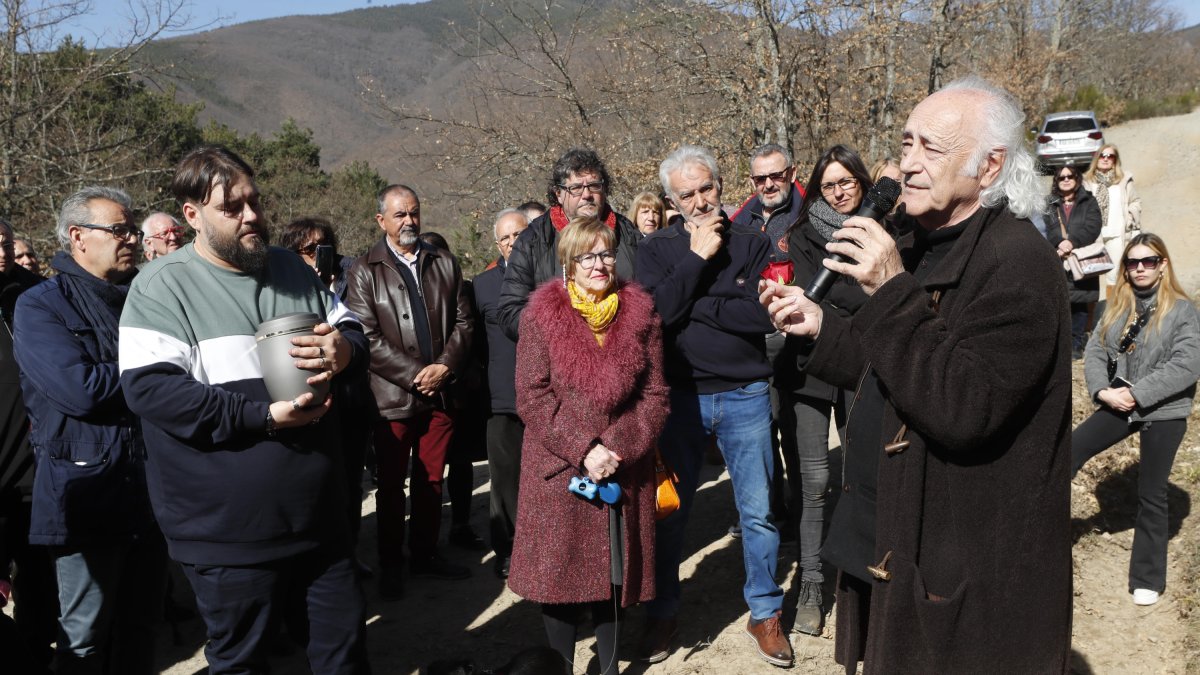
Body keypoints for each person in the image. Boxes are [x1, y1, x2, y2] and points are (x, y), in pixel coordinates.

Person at [761, 76, 1072, 672]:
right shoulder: (918, 238)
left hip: (965, 560)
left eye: (931, 148)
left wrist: (890, 290)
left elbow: (964, 405)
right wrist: (821, 326)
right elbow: (894, 369)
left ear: (989, 167)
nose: (907, 165)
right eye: (905, 144)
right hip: (889, 537)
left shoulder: (1017, 265)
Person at [119, 146, 370, 674]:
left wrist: (342, 350)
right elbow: (154, 392)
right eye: (231, 207)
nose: (252, 215)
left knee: (342, 656)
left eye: (253, 200)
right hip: (226, 532)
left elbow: (350, 328)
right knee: (243, 663)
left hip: (319, 515)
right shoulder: (161, 287)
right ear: (193, 215)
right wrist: (264, 417)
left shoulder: (290, 269)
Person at [636, 145, 792, 667]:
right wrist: (699, 259)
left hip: (746, 392)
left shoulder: (754, 238)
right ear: (670, 201)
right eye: (687, 194)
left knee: (759, 512)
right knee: (670, 512)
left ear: (721, 186)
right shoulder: (655, 248)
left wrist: (695, 303)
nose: (700, 201)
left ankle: (764, 611)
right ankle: (662, 611)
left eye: (707, 188)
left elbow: (762, 316)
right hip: (679, 397)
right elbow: (653, 316)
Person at [508, 216, 669, 675]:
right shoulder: (540, 316)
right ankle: (558, 667)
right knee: (558, 581)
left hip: (623, 464)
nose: (599, 265)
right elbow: (532, 397)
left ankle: (610, 667)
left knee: (610, 581)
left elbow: (655, 395)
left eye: (606, 254)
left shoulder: (642, 315)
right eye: (587, 257)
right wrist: (584, 448)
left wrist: (617, 447)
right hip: (560, 467)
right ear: (567, 264)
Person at [14, 187, 165, 675]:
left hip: (152, 490)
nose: (132, 239)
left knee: (142, 628)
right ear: (77, 236)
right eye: (119, 229)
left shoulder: (144, 295)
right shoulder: (39, 306)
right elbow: (80, 391)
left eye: (132, 229)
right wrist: (155, 368)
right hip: (86, 494)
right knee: (84, 637)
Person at [344, 184, 475, 599]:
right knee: (391, 485)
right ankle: (391, 563)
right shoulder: (364, 270)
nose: (409, 222)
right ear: (381, 220)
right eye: (399, 215)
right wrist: (420, 374)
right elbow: (365, 336)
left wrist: (445, 368)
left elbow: (464, 323)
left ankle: (424, 555)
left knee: (432, 480)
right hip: (391, 399)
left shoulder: (445, 263)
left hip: (440, 395)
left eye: (414, 213)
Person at [776, 144, 876, 638]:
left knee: (862, 476)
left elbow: (876, 294)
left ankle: (860, 583)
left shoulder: (883, 231)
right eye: (829, 184)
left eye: (847, 182)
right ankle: (812, 584)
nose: (839, 193)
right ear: (817, 188)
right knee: (814, 483)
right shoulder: (802, 234)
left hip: (864, 368)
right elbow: (836, 294)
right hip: (811, 369)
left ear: (862, 182)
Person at [1073, 233, 1200, 607]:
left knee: (1152, 492)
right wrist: (1102, 392)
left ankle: (1146, 577)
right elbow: (1095, 351)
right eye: (1133, 262)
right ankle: (1034, 533)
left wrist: (1137, 393)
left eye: (1149, 261)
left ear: (1163, 266)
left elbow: (1187, 366)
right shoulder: (1114, 305)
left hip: (1164, 409)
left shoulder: (1182, 310)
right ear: (1125, 268)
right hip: (1118, 402)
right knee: (1070, 451)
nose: (1140, 267)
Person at [280, 216, 375, 572]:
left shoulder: (356, 278)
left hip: (352, 398)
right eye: (307, 250)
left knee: (351, 484)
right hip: (309, 401)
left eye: (324, 247)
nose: (318, 256)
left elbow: (363, 332)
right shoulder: (285, 286)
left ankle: (350, 552)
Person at [497, 148, 640, 340]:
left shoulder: (628, 234)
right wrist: (562, 333)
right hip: (558, 359)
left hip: (621, 353)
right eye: (576, 188)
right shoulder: (533, 240)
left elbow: (650, 299)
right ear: (558, 194)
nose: (587, 194)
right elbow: (510, 311)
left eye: (594, 185)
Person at [0, 218, 54, 672]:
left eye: (3, 243)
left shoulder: (33, 297)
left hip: (36, 470)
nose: (1, 254)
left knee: (40, 586)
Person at [418, 230, 488, 554]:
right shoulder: (410, 291)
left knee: (460, 462)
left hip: (460, 390)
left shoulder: (465, 289)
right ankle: (422, 537)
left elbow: (475, 336)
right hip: (418, 389)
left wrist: (468, 370)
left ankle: (460, 524)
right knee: (427, 467)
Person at [472, 208, 529, 578]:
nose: (512, 242)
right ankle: (507, 550)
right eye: (505, 237)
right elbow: (475, 342)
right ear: (497, 244)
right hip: (501, 396)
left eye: (519, 234)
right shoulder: (481, 285)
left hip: (546, 395)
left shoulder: (547, 278)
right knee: (505, 478)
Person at [1045, 164, 1102, 359]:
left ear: (1077, 179)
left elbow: (1093, 226)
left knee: (1080, 304)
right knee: (1059, 303)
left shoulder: (1089, 201)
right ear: (1056, 181)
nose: (1066, 179)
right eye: (1062, 177)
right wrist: (1060, 242)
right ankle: (1061, 344)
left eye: (1070, 176)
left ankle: (1077, 344)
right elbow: (1049, 227)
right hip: (1058, 259)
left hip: (1081, 261)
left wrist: (1072, 241)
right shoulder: (1050, 204)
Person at [1083, 144, 1141, 300]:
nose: (1106, 159)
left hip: (1117, 234)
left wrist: (1130, 217)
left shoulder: (1123, 180)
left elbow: (1135, 201)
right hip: (1094, 236)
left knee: (1114, 275)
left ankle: (1113, 310)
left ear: (1115, 160)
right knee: (1090, 275)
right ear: (1097, 158)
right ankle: (1090, 317)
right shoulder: (1086, 181)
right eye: (1102, 155)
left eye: (1110, 156)